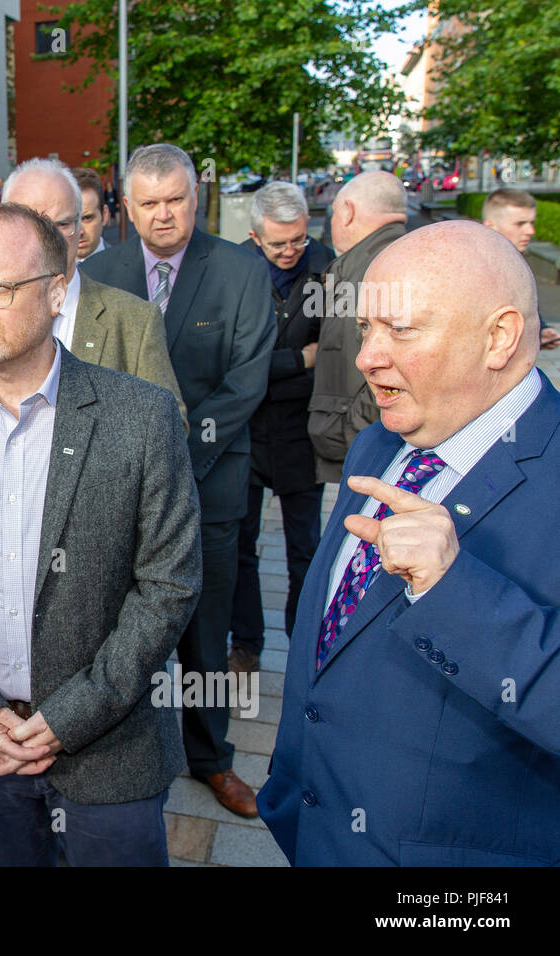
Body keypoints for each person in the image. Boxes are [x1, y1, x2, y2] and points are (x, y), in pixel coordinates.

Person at [0, 203, 202, 866]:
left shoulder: (140, 417)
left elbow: (168, 585)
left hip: (109, 757)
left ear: (57, 293)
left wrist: (69, 718)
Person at [258, 220, 560, 866]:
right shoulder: (381, 442)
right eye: (367, 328)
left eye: (401, 329)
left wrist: (454, 593)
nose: (367, 355)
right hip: (313, 833)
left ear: (500, 337)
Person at [82, 143, 276, 817]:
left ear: (197, 199)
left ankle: (210, 758)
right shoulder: (97, 274)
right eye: (149, 203)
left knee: (205, 631)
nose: (164, 215)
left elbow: (245, 384)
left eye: (176, 200)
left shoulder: (242, 273)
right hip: (111, 492)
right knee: (112, 625)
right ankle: (116, 751)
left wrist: (172, 459)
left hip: (209, 485)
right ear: (126, 208)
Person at [0, 158, 185, 424]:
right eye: (30, 224)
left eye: (61, 225)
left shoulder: (134, 320)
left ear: (81, 225)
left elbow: (170, 422)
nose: (47, 240)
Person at [228, 182, 332, 674]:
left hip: (300, 432)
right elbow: (235, 362)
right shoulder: (233, 271)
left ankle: (306, 647)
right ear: (254, 237)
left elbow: (333, 354)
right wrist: (297, 360)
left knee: (306, 551)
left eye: (299, 240)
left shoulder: (328, 266)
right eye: (278, 244)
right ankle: (246, 645)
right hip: (245, 431)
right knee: (240, 548)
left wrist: (276, 366)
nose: (291, 251)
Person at [307, 170, 408, 483]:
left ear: (347, 212)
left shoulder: (379, 268)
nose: (333, 222)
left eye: (334, 214)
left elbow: (395, 366)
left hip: (373, 452)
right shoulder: (391, 257)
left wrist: (355, 432)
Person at [482, 188, 558, 349]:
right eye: (520, 224)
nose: (530, 231)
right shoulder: (473, 270)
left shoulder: (517, 263)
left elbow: (525, 307)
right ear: (491, 226)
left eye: (531, 222)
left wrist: (540, 331)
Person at [72, 167, 110, 263]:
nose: (79, 231)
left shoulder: (127, 269)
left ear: (104, 215)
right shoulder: (44, 271)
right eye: (70, 221)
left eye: (87, 218)